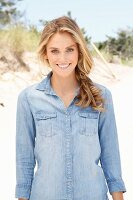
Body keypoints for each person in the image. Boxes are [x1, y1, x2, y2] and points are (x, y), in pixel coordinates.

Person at [15, 16, 126, 200]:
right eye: (55, 51)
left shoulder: (101, 96)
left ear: (79, 52)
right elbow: (24, 162)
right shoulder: (29, 99)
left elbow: (111, 157)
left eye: (69, 50)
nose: (63, 58)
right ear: (46, 54)